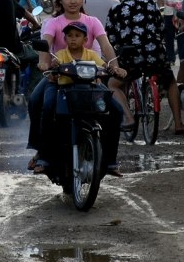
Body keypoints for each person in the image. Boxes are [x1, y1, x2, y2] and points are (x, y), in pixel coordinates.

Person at [27, 0, 123, 169]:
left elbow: (106, 45)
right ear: (60, 1)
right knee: (39, 103)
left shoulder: (92, 22)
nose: (73, 1)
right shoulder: (52, 23)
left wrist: (114, 66)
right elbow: (45, 44)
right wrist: (44, 62)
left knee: (116, 111)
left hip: (89, 78)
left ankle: (110, 160)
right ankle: (43, 153)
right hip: (59, 78)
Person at [34, 21, 126, 177]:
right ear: (64, 39)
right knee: (47, 109)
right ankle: (43, 157)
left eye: (77, 35)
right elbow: (52, 66)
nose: (73, 39)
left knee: (117, 110)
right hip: (66, 91)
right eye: (69, 36)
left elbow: (104, 66)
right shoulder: (61, 55)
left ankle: (111, 161)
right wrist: (49, 66)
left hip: (90, 92)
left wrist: (115, 69)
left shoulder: (91, 55)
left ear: (85, 39)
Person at [105, 0, 184, 135]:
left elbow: (111, 38)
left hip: (130, 58)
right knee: (171, 83)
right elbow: (160, 28)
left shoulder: (115, 9)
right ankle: (179, 124)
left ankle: (128, 118)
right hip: (155, 55)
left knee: (113, 85)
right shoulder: (149, 3)